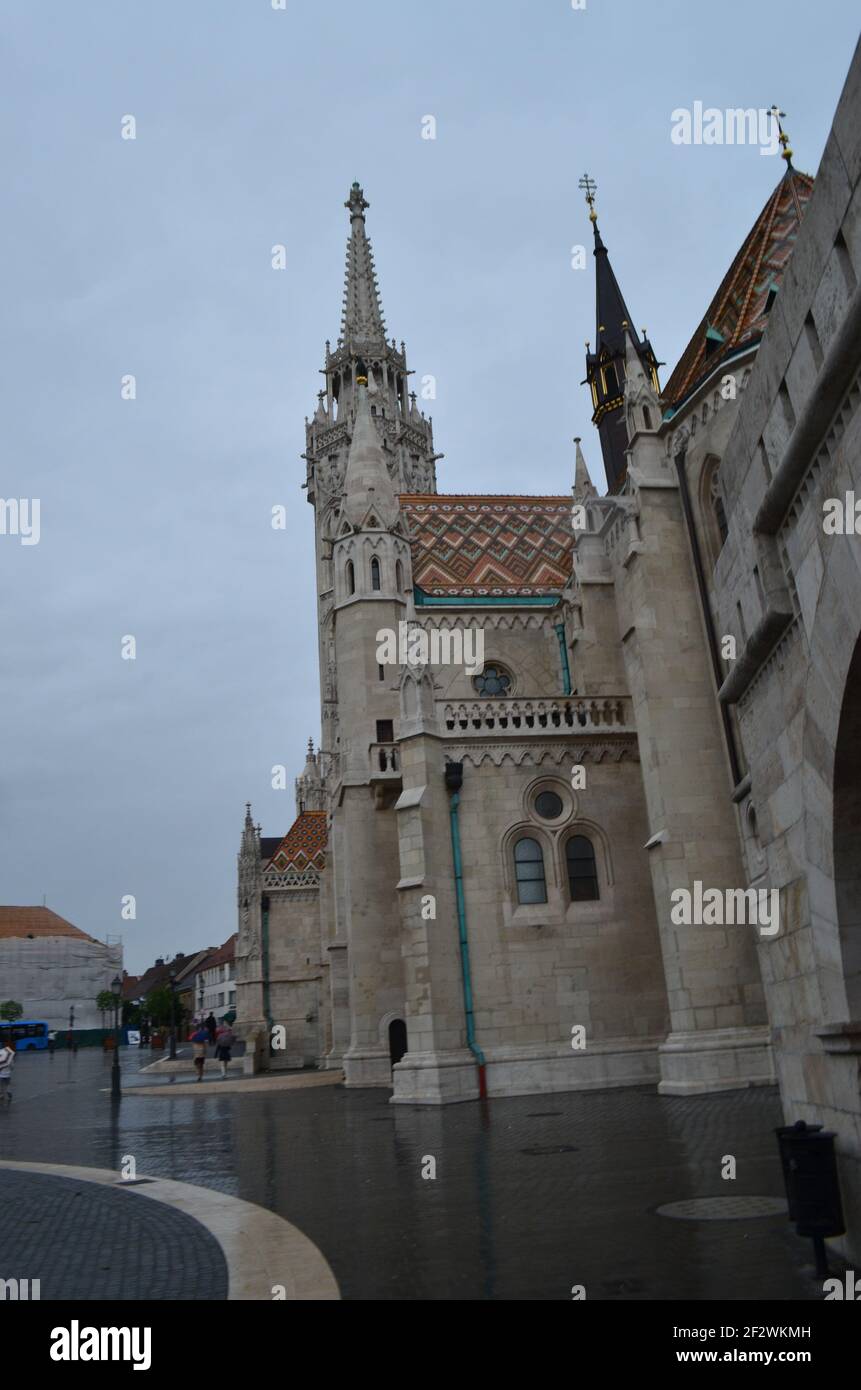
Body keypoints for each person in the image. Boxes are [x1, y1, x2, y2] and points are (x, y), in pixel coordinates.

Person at [0, 1040, 15, 1105]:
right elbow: (12, 1067)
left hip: (1, 1075)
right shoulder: (10, 1059)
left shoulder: (0, 1058)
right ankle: (8, 1092)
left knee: (1, 1085)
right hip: (8, 1075)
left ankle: (1, 1095)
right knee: (8, 1084)